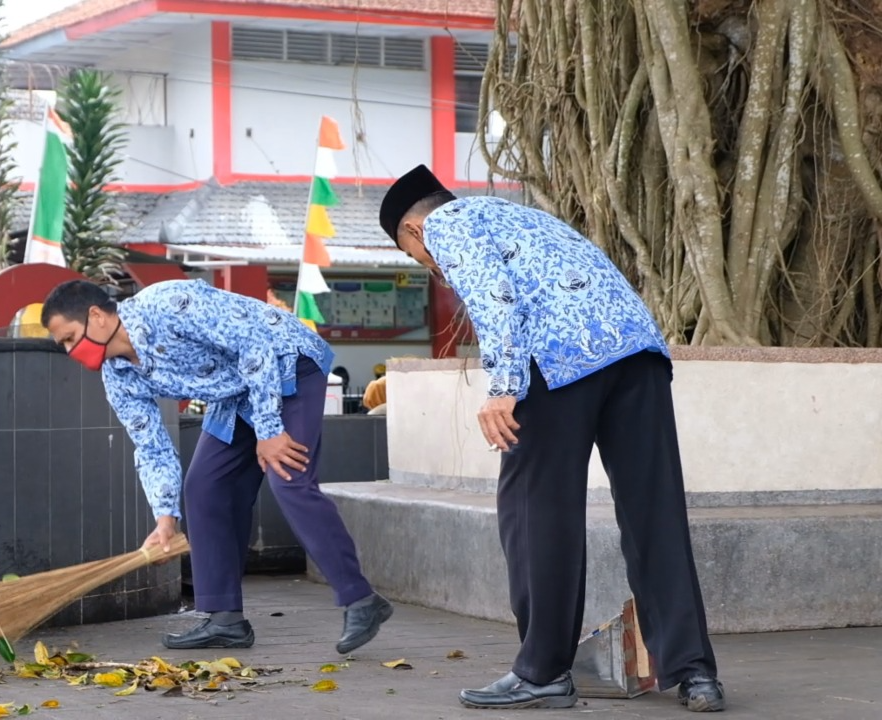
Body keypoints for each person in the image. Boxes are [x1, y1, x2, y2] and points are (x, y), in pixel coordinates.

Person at [378, 165, 724, 713]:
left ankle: (542, 672)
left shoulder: (446, 223)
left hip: (559, 363)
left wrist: (503, 387)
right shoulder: (521, 216)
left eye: (412, 255)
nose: (428, 267)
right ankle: (695, 673)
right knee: (653, 513)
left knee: (534, 512)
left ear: (415, 232)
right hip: (637, 354)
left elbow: (495, 299)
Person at [41, 278, 392, 653]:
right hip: (236, 391)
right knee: (205, 488)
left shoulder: (167, 303)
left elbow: (254, 343)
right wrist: (165, 518)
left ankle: (361, 600)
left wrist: (270, 430)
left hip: (288, 362)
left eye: (69, 337)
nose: (69, 351)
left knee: (287, 477)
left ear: (96, 316)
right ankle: (226, 620)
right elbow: (151, 446)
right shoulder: (119, 376)